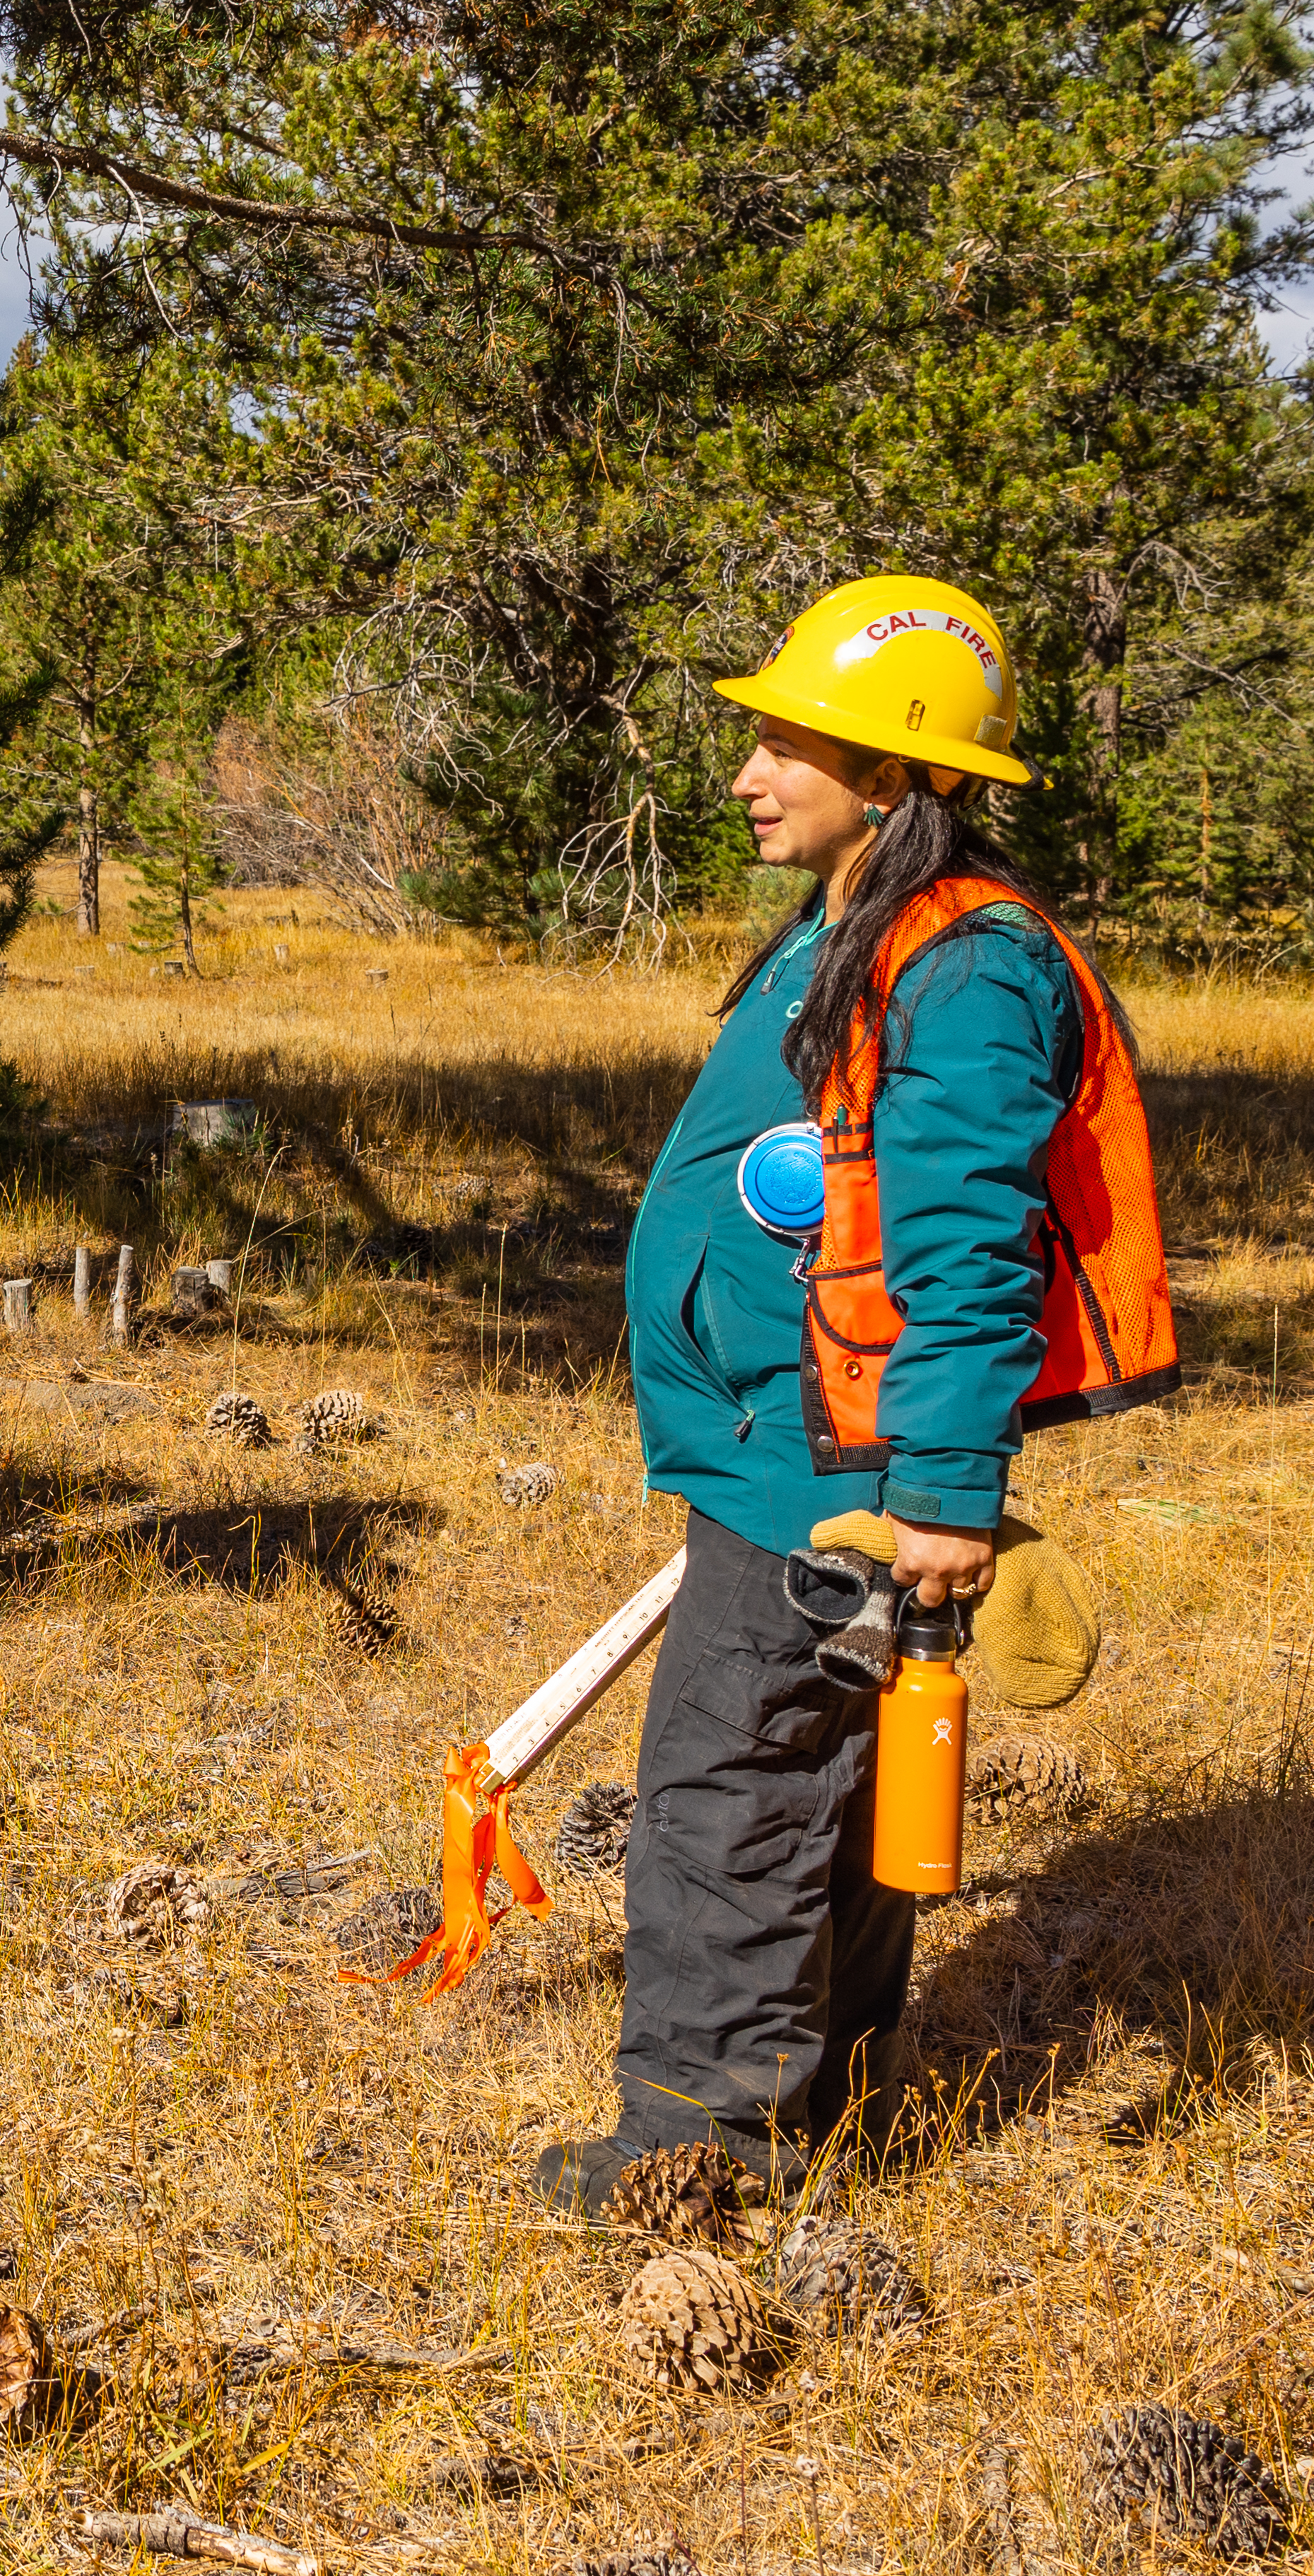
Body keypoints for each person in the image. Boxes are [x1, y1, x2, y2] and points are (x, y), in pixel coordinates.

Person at [540, 575, 1175, 2213]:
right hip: (780, 1445)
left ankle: (699, 2162)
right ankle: (829, 2109)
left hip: (841, 1464)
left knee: (730, 1802)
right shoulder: (857, 929)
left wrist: (947, 1495)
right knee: (806, 1794)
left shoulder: (967, 967)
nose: (750, 770)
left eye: (788, 743)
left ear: (893, 777)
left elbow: (974, 1248)